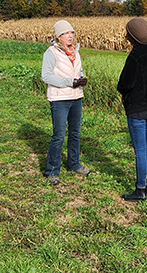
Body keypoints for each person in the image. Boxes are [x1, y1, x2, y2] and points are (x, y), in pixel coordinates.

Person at [41, 20, 91, 186]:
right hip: (60, 98)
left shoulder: (76, 52)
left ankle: (74, 164)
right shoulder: (51, 53)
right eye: (65, 34)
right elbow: (46, 76)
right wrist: (70, 81)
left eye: (71, 33)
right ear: (58, 37)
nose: (69, 36)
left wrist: (81, 79)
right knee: (59, 135)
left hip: (76, 97)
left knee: (75, 133)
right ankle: (52, 171)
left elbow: (79, 71)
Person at [117, 18, 147, 202]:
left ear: (131, 36)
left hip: (136, 108)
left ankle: (140, 190)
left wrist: (122, 91)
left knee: (140, 149)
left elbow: (125, 83)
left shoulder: (135, 55)